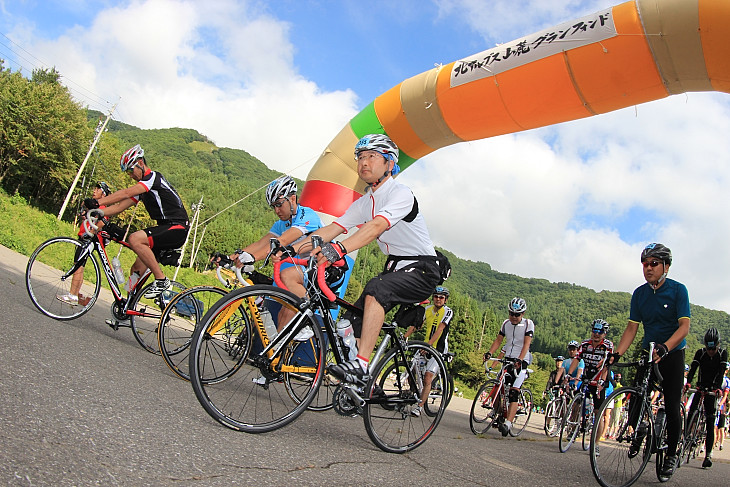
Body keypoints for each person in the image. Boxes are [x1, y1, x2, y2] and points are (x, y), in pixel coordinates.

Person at [310, 134, 443, 394]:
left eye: (371, 156)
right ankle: (367, 386)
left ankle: (361, 366)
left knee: (376, 289)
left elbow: (376, 227)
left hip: (423, 270)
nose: (363, 162)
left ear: (389, 164)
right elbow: (334, 227)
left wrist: (340, 248)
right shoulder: (364, 203)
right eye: (360, 157)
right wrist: (292, 248)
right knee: (347, 323)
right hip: (394, 269)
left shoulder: (401, 194)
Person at [611, 243, 690, 478]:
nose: (648, 268)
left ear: (666, 266)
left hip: (673, 351)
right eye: (644, 264)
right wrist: (617, 354)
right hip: (649, 349)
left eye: (653, 263)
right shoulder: (639, 293)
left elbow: (684, 327)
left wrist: (667, 347)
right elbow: (631, 329)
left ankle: (672, 453)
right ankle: (640, 428)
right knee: (637, 392)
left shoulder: (678, 290)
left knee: (673, 404)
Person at [85, 145, 190, 322]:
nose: (130, 175)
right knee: (135, 271)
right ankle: (126, 309)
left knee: (135, 239)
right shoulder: (143, 190)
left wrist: (97, 201)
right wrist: (101, 212)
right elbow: (119, 206)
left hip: (177, 227)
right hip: (165, 228)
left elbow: (125, 192)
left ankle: (161, 279)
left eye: (131, 170)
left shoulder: (153, 178)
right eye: (128, 172)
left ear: (140, 163)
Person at [483, 297, 534, 436]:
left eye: (517, 314)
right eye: (511, 313)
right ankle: (496, 411)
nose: (514, 317)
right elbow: (498, 340)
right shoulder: (506, 323)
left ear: (522, 314)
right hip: (508, 359)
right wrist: (489, 353)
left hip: (521, 360)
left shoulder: (528, 324)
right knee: (499, 386)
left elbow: (526, 345)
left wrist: (520, 359)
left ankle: (508, 423)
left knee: (513, 391)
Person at [56, 182, 112, 306]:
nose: (94, 191)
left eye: (98, 189)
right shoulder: (96, 207)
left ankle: (73, 295)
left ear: (103, 194)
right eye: (95, 188)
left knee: (78, 266)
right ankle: (75, 294)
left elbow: (103, 221)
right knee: (79, 266)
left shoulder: (102, 208)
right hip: (83, 237)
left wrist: (91, 231)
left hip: (87, 239)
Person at [403, 286, 454, 417]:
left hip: (438, 349)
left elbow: (440, 329)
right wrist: (404, 337)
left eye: (441, 297)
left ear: (445, 300)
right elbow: (416, 326)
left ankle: (419, 407)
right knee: (411, 370)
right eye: (436, 296)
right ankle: (413, 393)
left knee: (427, 377)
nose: (438, 299)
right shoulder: (427, 309)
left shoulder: (448, 312)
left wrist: (428, 346)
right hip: (425, 346)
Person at [684, 327, 728, 468]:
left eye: (713, 349)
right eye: (708, 349)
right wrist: (689, 382)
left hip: (713, 388)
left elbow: (721, 373)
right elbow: (693, 370)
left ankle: (708, 454)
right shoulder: (700, 353)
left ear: (717, 345)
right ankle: (684, 440)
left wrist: (716, 388)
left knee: (710, 421)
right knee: (691, 413)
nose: (710, 352)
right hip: (700, 386)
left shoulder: (722, 354)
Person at [568, 319, 614, 448]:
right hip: (587, 378)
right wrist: (569, 374)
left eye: (600, 332)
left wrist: (602, 381)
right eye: (595, 331)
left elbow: (607, 364)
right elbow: (577, 359)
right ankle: (572, 430)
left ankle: (596, 444)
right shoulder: (584, 344)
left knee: (598, 413)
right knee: (576, 404)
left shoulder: (608, 346)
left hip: (599, 379)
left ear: (604, 333)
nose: (596, 334)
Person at [716, 368, 730, 451]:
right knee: (715, 428)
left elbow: (727, 401)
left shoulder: (727, 381)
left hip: (722, 410)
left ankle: (721, 444)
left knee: (721, 429)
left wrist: (727, 412)